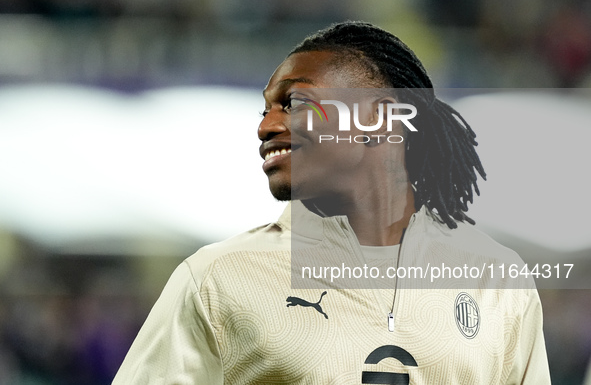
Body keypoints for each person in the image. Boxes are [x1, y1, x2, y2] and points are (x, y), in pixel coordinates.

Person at [113, 22, 550, 384]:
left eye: (295, 102)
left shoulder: (496, 281)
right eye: (265, 110)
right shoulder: (215, 280)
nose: (266, 126)